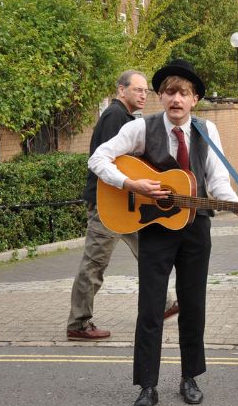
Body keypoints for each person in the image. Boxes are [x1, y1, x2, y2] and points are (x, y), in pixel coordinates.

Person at [89, 59, 238, 406]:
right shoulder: (139, 128)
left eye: (183, 93)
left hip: (196, 229)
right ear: (160, 97)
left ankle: (189, 377)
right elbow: (98, 159)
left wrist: (236, 203)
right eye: (169, 92)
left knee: (192, 305)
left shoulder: (206, 130)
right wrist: (130, 183)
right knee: (150, 308)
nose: (176, 99)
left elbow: (216, 181)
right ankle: (147, 386)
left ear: (194, 99)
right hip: (154, 229)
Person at [67, 70, 178, 341]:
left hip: (127, 204)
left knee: (149, 251)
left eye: (145, 91)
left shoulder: (126, 117)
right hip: (109, 205)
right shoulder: (115, 116)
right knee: (95, 263)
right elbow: (105, 162)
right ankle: (78, 323)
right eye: (137, 90)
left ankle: (165, 304)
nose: (143, 95)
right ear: (121, 91)